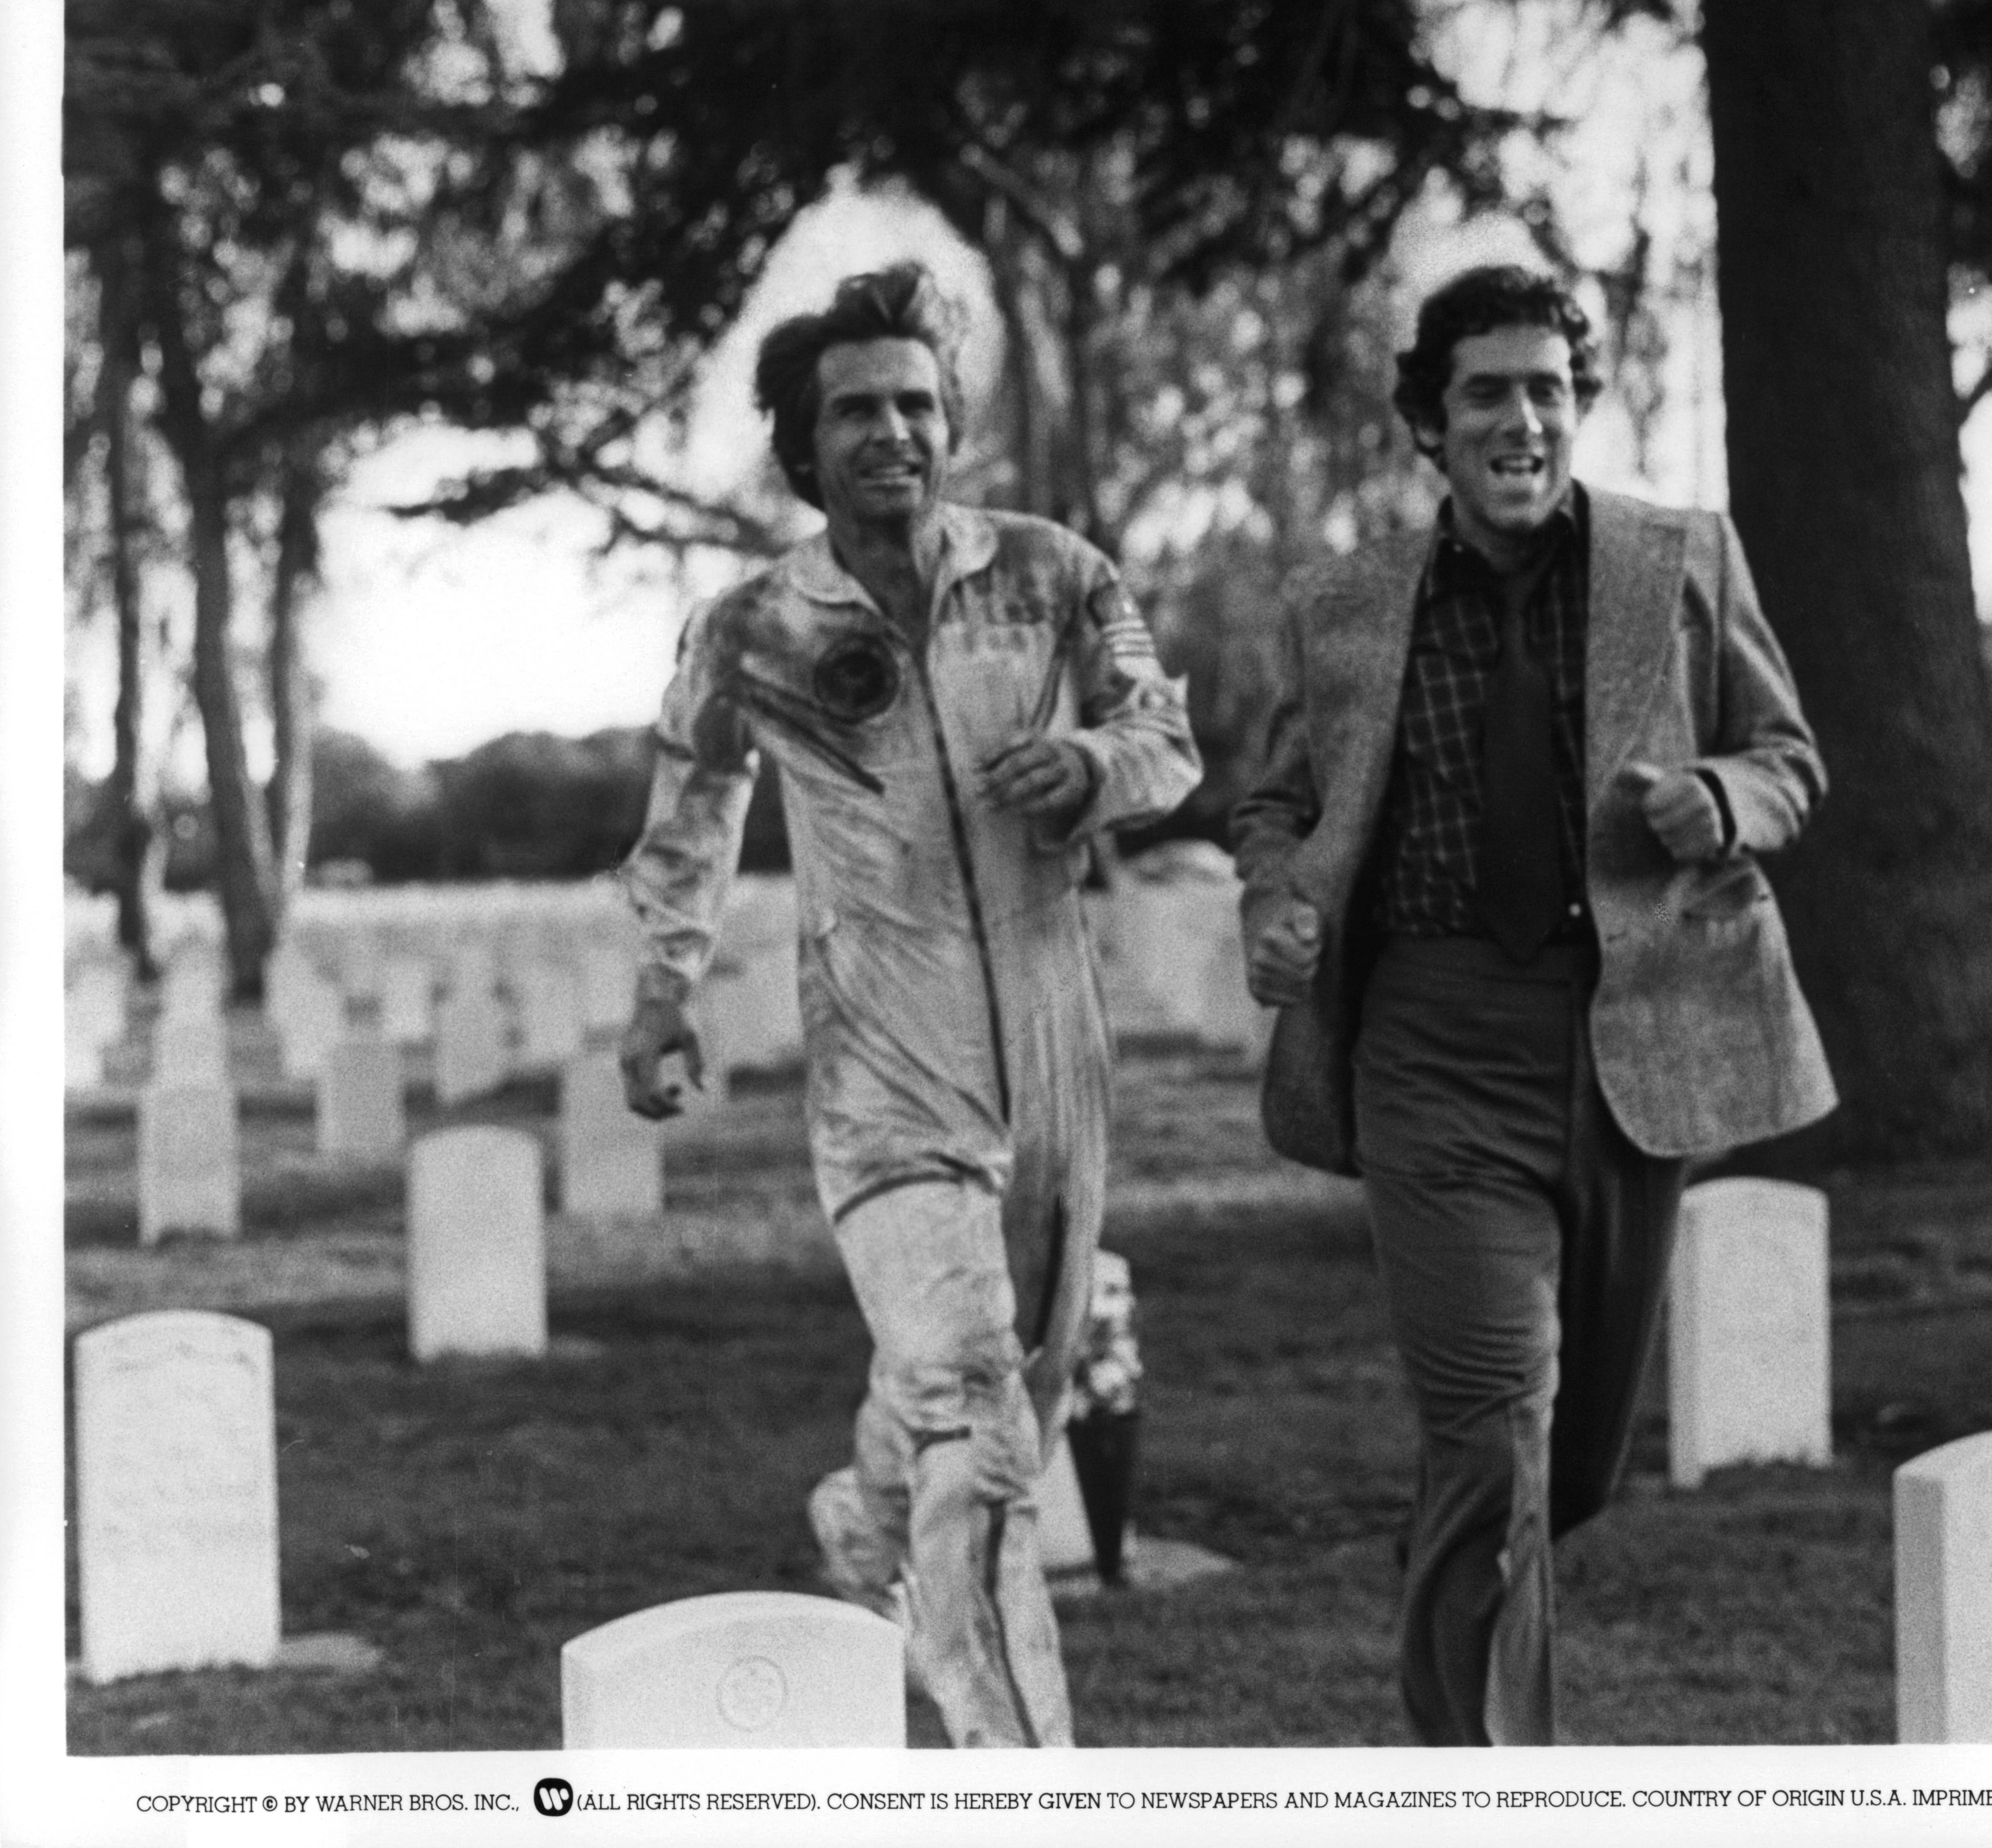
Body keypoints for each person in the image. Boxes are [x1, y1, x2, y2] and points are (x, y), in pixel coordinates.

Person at [1231, 263, 1836, 1745]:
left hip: (1638, 1038)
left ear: (1580, 407)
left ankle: (1458, 1558)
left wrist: (1716, 799)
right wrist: (1273, 896)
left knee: (1559, 1470)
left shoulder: (1682, 558)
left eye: (1547, 389)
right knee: (1496, 1430)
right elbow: (1274, 801)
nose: (1521, 419)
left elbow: (1790, 759)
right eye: (1486, 392)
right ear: (1428, 424)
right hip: (1429, 1048)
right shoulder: (1344, 603)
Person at [617, 262, 1201, 1748]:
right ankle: (1027, 1781)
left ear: (953, 426)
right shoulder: (751, 626)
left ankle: (865, 1518)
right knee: (984, 1426)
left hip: (1055, 1058)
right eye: (856, 410)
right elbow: (693, 808)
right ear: (806, 451)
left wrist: (1096, 771)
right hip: (885, 1073)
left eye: (918, 404)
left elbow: (1164, 731)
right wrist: (663, 987)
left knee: (1015, 1393)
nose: (894, 431)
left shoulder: (1052, 572)